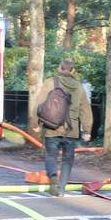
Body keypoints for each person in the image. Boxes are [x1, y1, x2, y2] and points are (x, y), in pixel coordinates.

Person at [33, 59, 93, 196]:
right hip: (71, 130)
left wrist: (36, 124)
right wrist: (87, 130)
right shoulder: (79, 87)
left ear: (60, 68)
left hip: (52, 127)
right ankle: (61, 189)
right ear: (73, 71)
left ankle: (53, 177)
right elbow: (85, 109)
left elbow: (39, 104)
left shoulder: (50, 82)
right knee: (68, 160)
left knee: (51, 156)